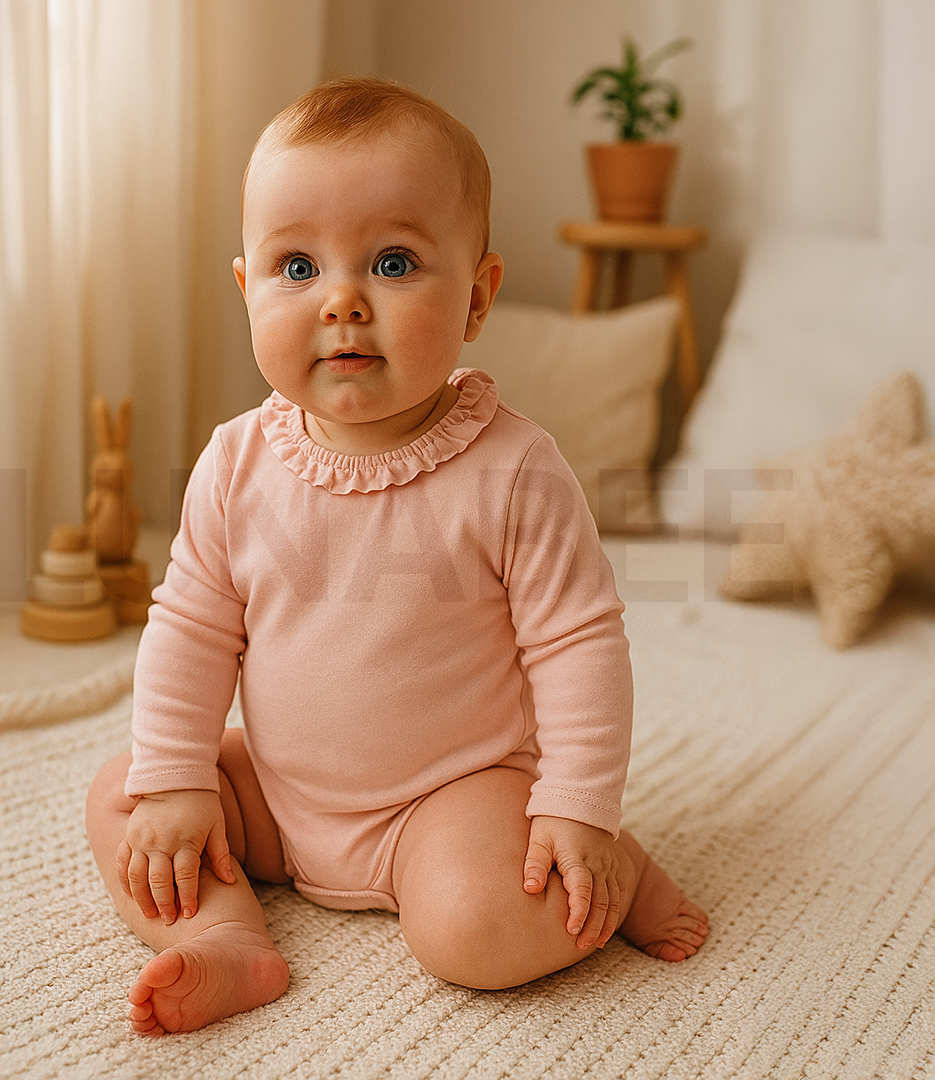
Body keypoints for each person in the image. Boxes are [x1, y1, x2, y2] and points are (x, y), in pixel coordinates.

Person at [86, 76, 709, 1037]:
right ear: (247, 288)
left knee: (475, 933)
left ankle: (616, 866)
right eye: (298, 267)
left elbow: (579, 645)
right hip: (281, 798)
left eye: (391, 261)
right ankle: (228, 937)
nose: (341, 301)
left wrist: (578, 807)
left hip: (451, 798)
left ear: (476, 297)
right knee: (128, 796)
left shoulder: (514, 470)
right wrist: (176, 782)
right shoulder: (235, 464)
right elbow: (191, 627)